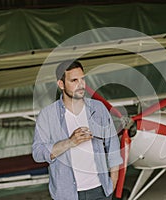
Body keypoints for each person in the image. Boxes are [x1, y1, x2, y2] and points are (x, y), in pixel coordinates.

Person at [32, 60, 123, 200]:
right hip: (67, 194)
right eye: (74, 80)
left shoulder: (98, 109)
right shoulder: (47, 115)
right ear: (61, 84)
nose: (81, 85)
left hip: (100, 191)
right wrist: (69, 142)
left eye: (82, 79)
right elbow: (38, 153)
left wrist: (112, 183)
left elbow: (113, 145)